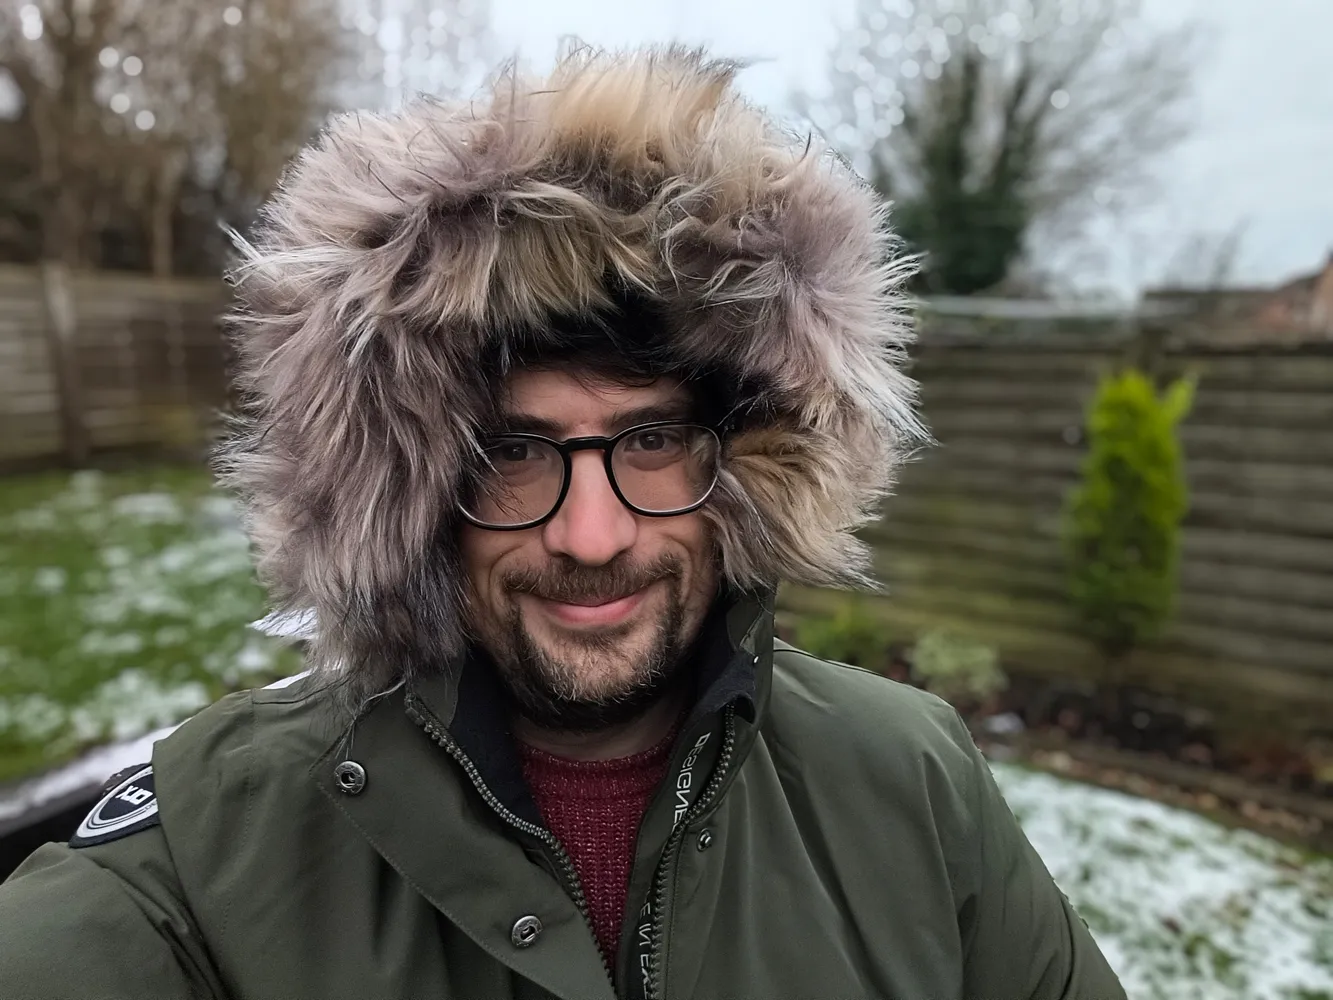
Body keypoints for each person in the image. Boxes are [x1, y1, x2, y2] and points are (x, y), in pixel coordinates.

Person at [0, 46, 1125, 1000]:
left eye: (651, 440)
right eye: (513, 454)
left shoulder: (914, 782)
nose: (593, 537)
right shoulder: (216, 846)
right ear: (408, 491)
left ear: (746, 459)